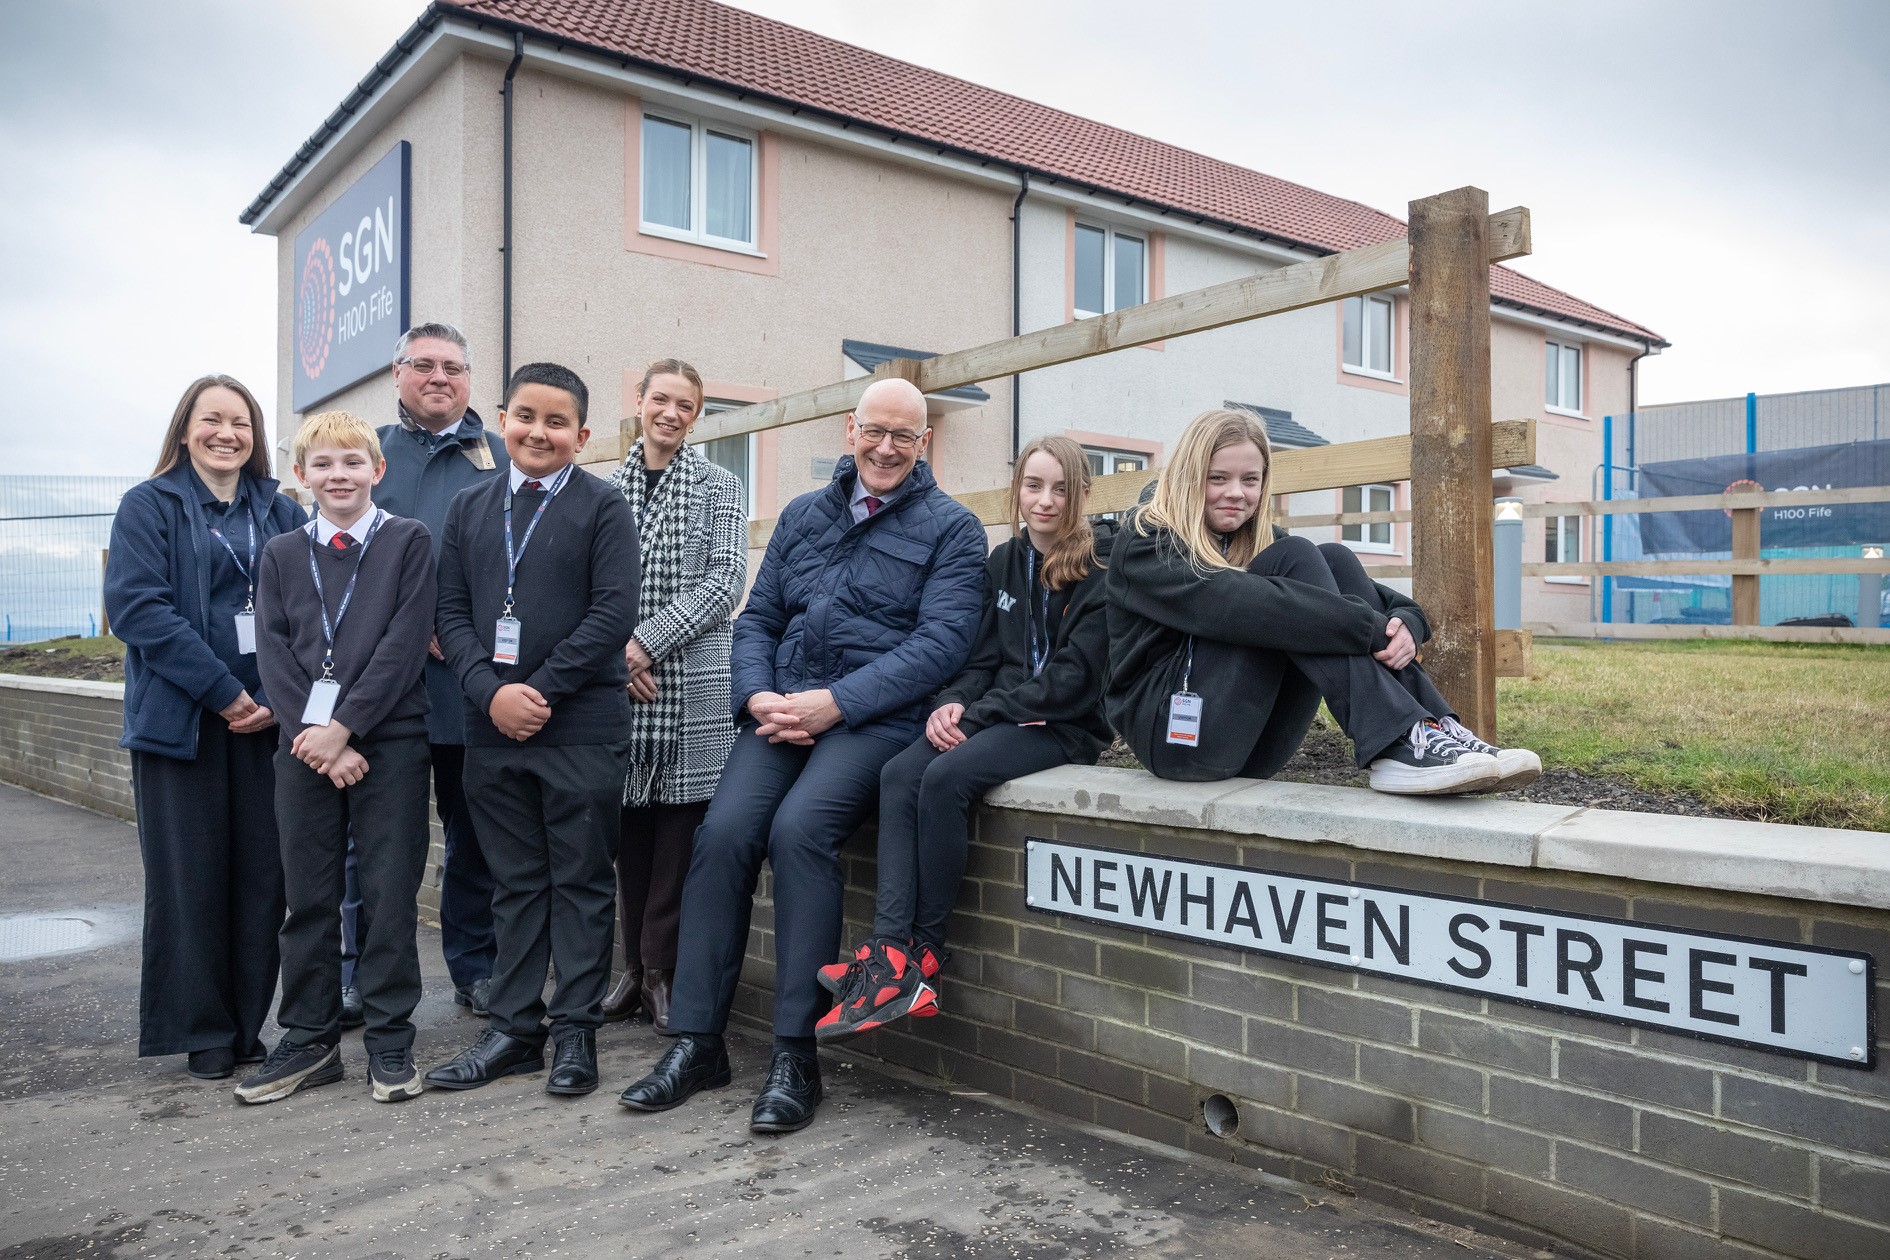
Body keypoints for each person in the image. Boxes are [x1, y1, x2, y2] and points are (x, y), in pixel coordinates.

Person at [616, 377, 985, 1135]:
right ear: (851, 429)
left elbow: (941, 643)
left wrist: (838, 701)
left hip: (873, 719)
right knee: (720, 837)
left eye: (903, 437)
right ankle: (698, 1041)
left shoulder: (953, 529)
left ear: (923, 446)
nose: (885, 448)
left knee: (799, 832)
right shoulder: (803, 514)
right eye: (874, 431)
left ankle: (796, 1056)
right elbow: (757, 619)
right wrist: (756, 698)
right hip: (779, 712)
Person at [817, 435, 1115, 1042]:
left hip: (1063, 726)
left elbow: (1072, 680)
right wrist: (952, 703)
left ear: (1082, 493)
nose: (1046, 500)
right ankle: (889, 955)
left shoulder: (1099, 570)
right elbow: (980, 660)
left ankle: (926, 955)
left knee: (947, 778)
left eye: (1061, 488)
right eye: (1034, 485)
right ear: (1017, 489)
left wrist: (979, 717)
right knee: (900, 772)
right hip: (1000, 714)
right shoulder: (1003, 561)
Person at [1105, 408, 1540, 794]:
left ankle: (1430, 726)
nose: (1236, 492)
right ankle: (1395, 740)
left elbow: (1358, 598)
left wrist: (1407, 620)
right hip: (1179, 744)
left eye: (1250, 480)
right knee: (1295, 567)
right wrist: (1372, 630)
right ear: (1187, 476)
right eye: (1217, 478)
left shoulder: (1254, 541)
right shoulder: (1148, 543)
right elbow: (1236, 603)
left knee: (1333, 559)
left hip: (1255, 744)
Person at [425, 363, 641, 1098]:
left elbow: (613, 614)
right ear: (502, 419)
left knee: (580, 883)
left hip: (579, 728)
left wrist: (538, 691)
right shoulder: (469, 508)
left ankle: (574, 1031)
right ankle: (515, 1031)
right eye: (525, 416)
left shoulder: (604, 509)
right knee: (513, 884)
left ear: (581, 436)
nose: (538, 432)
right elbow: (449, 613)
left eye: (556, 422)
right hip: (492, 732)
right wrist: (490, 694)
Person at [104, 374, 307, 1080]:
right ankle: (205, 1034)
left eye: (241, 423)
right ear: (184, 429)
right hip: (183, 727)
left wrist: (278, 697)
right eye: (211, 420)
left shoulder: (280, 512)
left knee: (263, 881)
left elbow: (307, 612)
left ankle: (249, 1026)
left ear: (255, 436)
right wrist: (225, 693)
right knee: (190, 882)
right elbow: (139, 611)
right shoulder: (148, 506)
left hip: (268, 723)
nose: (227, 433)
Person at [240, 411, 436, 1104]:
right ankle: (310, 1039)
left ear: (376, 471)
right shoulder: (281, 554)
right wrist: (320, 742)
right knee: (309, 898)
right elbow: (276, 652)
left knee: (387, 897)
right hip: (304, 746)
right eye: (323, 464)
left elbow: (404, 645)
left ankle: (388, 1039)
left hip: (392, 742)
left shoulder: (408, 542)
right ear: (302, 476)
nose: (339, 475)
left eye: (353, 462)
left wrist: (347, 726)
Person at [356, 322, 508, 1022]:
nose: (438, 377)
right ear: (397, 374)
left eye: (453, 365)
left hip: (467, 690)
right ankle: (360, 979)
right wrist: (419, 630)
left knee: (473, 837)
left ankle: (477, 971)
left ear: (470, 378)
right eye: (423, 365)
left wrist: (464, 639)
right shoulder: (369, 457)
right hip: (383, 687)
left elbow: (520, 564)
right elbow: (347, 567)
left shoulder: (502, 458)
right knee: (377, 844)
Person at [601, 359, 747, 1032]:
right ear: (639, 401)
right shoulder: (604, 490)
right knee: (629, 834)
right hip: (621, 687)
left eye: (685, 404)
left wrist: (644, 643)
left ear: (696, 414)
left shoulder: (720, 484)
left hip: (691, 688)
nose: (671, 412)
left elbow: (724, 583)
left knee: (677, 838)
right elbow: (588, 587)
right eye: (661, 398)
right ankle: (631, 970)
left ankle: (662, 972)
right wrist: (617, 654)